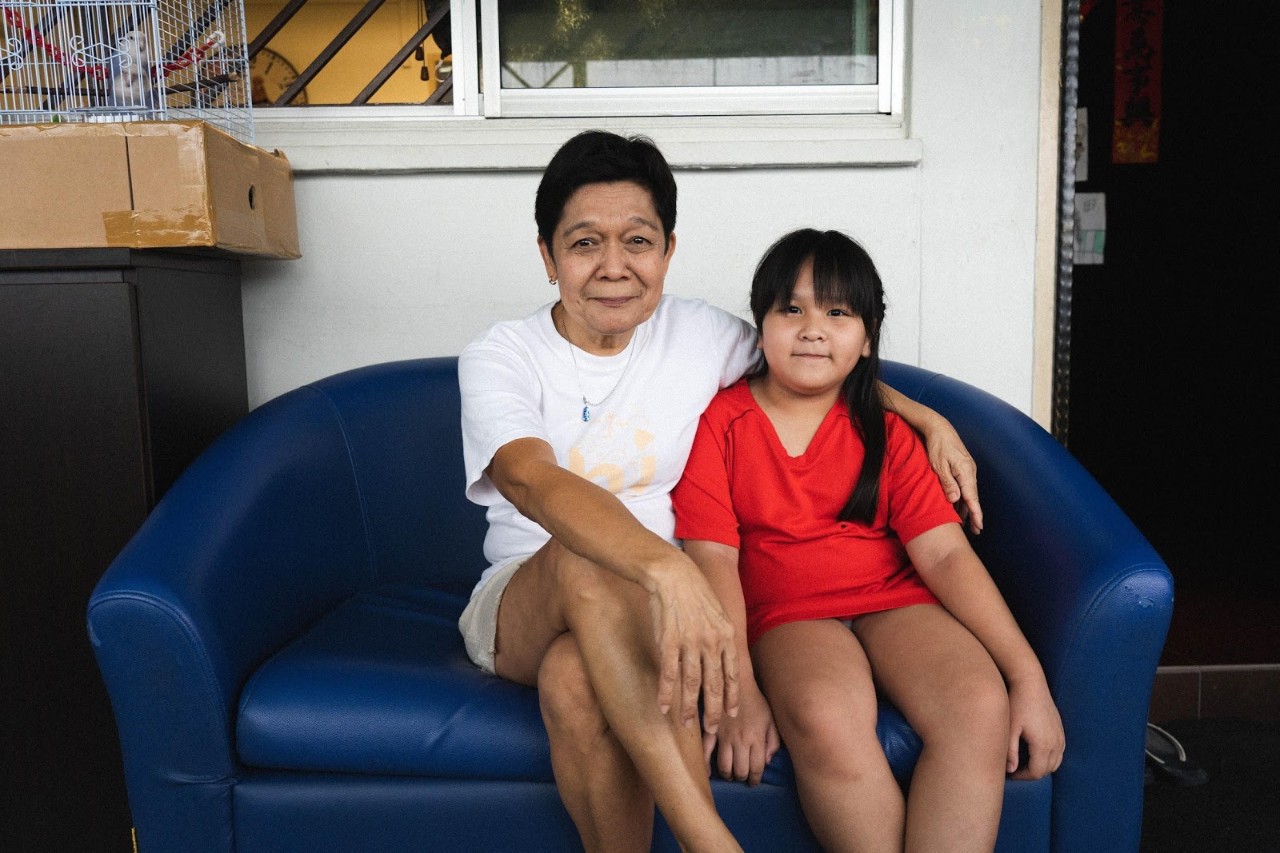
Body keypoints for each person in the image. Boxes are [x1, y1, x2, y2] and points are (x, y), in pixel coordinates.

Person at [456, 132, 983, 853]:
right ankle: (712, 842)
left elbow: (811, 356)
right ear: (549, 257)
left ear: (668, 251)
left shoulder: (698, 333)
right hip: (527, 592)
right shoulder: (501, 355)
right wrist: (667, 567)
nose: (614, 266)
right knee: (586, 558)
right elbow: (531, 479)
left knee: (573, 677)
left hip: (650, 611)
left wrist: (924, 416)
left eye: (636, 241)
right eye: (584, 244)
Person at [672, 228, 1065, 852]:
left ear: (867, 336)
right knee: (825, 714)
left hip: (896, 602)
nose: (811, 329)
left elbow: (944, 554)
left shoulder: (888, 430)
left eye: (837, 312)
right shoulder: (719, 426)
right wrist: (738, 689)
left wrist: (1028, 678)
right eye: (791, 309)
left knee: (977, 705)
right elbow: (712, 559)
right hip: (789, 616)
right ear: (760, 325)